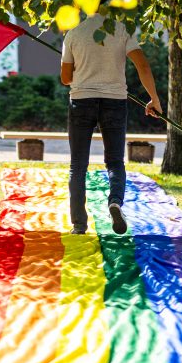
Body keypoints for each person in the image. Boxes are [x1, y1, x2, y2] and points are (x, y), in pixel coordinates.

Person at [60, 12, 162, 235]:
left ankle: (79, 224)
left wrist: (82, 68)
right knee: (115, 162)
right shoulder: (121, 30)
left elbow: (66, 78)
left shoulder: (73, 34)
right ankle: (115, 202)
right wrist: (154, 99)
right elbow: (143, 66)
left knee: (77, 165)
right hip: (115, 101)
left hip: (81, 101)